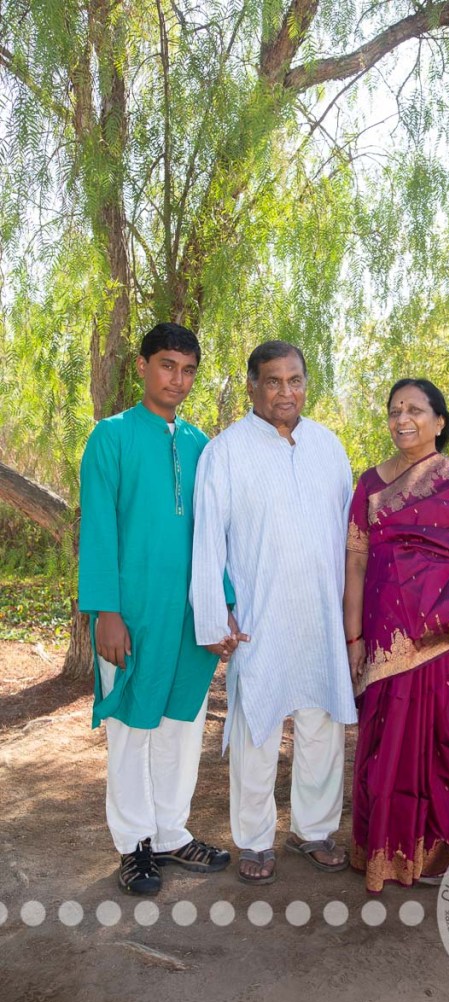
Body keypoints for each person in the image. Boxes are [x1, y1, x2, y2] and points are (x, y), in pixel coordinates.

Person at [191, 340, 357, 885]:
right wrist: (218, 615)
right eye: (273, 381)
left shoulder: (329, 447)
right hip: (259, 616)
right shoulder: (227, 451)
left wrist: (352, 619)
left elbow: (349, 538)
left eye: (295, 380)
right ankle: (255, 841)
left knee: (321, 723)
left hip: (321, 615)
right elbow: (208, 542)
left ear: (307, 384)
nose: (286, 392)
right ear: (251, 386)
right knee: (257, 727)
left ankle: (313, 830)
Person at [78, 323, 232, 895]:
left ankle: (170, 832)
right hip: (131, 612)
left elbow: (216, 537)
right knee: (129, 726)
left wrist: (223, 607)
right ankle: (134, 843)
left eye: (189, 369)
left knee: (180, 724)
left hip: (189, 614)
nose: (179, 379)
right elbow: (97, 527)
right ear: (143, 366)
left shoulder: (201, 446)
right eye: (168, 365)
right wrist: (105, 612)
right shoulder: (111, 437)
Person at [343, 378, 449, 893]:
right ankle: (388, 854)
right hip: (386, 639)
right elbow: (355, 562)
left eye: (416, 409)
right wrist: (353, 638)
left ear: (440, 421)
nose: (403, 419)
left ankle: (443, 855)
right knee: (385, 749)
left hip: (448, 643)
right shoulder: (369, 485)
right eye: (395, 410)